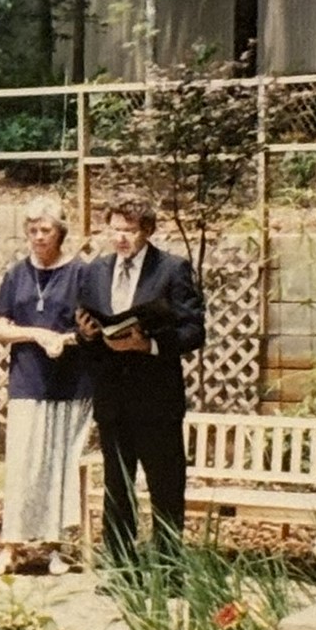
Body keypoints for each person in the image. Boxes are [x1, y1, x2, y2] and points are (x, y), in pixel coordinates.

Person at [75, 195, 206, 562]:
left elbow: (194, 331)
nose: (120, 238)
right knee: (117, 487)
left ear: (146, 231)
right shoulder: (93, 271)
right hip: (113, 398)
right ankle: (119, 568)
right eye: (114, 229)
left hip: (157, 399)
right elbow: (85, 337)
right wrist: (86, 334)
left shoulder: (171, 269)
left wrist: (147, 344)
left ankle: (168, 566)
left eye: (129, 231)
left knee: (165, 486)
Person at [0, 195, 94, 577]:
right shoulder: (17, 273)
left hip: (72, 383)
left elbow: (92, 330)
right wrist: (36, 334)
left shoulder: (82, 273)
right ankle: (11, 547)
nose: (37, 237)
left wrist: (61, 340)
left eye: (45, 230)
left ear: (60, 232)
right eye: (32, 230)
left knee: (61, 467)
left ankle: (58, 548)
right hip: (28, 381)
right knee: (22, 465)